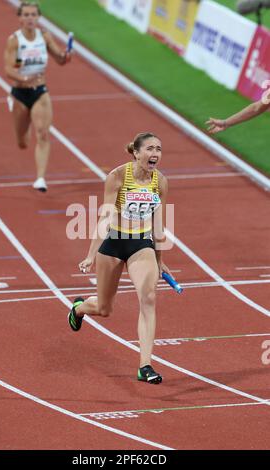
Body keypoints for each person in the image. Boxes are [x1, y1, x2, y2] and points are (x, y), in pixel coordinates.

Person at [68, 132, 173, 384]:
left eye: (158, 148)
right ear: (136, 153)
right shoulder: (116, 177)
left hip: (140, 244)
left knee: (148, 297)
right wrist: (91, 253)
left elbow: (159, 223)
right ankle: (79, 308)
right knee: (104, 309)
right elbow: (105, 217)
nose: (155, 154)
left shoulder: (160, 181)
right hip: (113, 243)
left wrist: (159, 259)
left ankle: (145, 366)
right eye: (149, 148)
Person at [4, 1, 72, 192]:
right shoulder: (15, 41)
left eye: (33, 14)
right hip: (19, 93)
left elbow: (59, 58)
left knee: (42, 133)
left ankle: (40, 178)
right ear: (20, 18)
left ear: (38, 17)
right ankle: (15, 109)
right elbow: (8, 69)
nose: (30, 18)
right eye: (26, 15)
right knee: (23, 143)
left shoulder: (44, 37)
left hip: (40, 92)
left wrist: (65, 56)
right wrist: (24, 77)